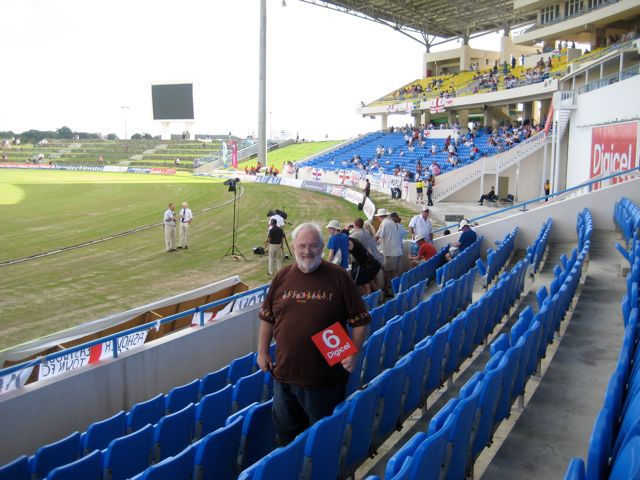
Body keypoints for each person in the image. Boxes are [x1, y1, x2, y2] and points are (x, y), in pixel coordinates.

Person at [256, 223, 370, 445]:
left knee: (321, 440)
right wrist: (262, 352)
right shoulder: (282, 276)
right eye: (302, 246)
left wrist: (353, 353)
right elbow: (267, 317)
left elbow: (360, 320)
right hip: (284, 378)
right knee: (286, 439)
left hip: (324, 382)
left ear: (322, 247)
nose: (307, 251)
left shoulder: (338, 276)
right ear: (295, 247)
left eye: (313, 246)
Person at [375, 208, 402, 296]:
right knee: (393, 272)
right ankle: (394, 289)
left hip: (390, 252)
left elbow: (377, 237)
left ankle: (388, 290)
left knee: (388, 272)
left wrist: (371, 245)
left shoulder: (384, 223)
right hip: (396, 251)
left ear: (379, 217)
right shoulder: (392, 222)